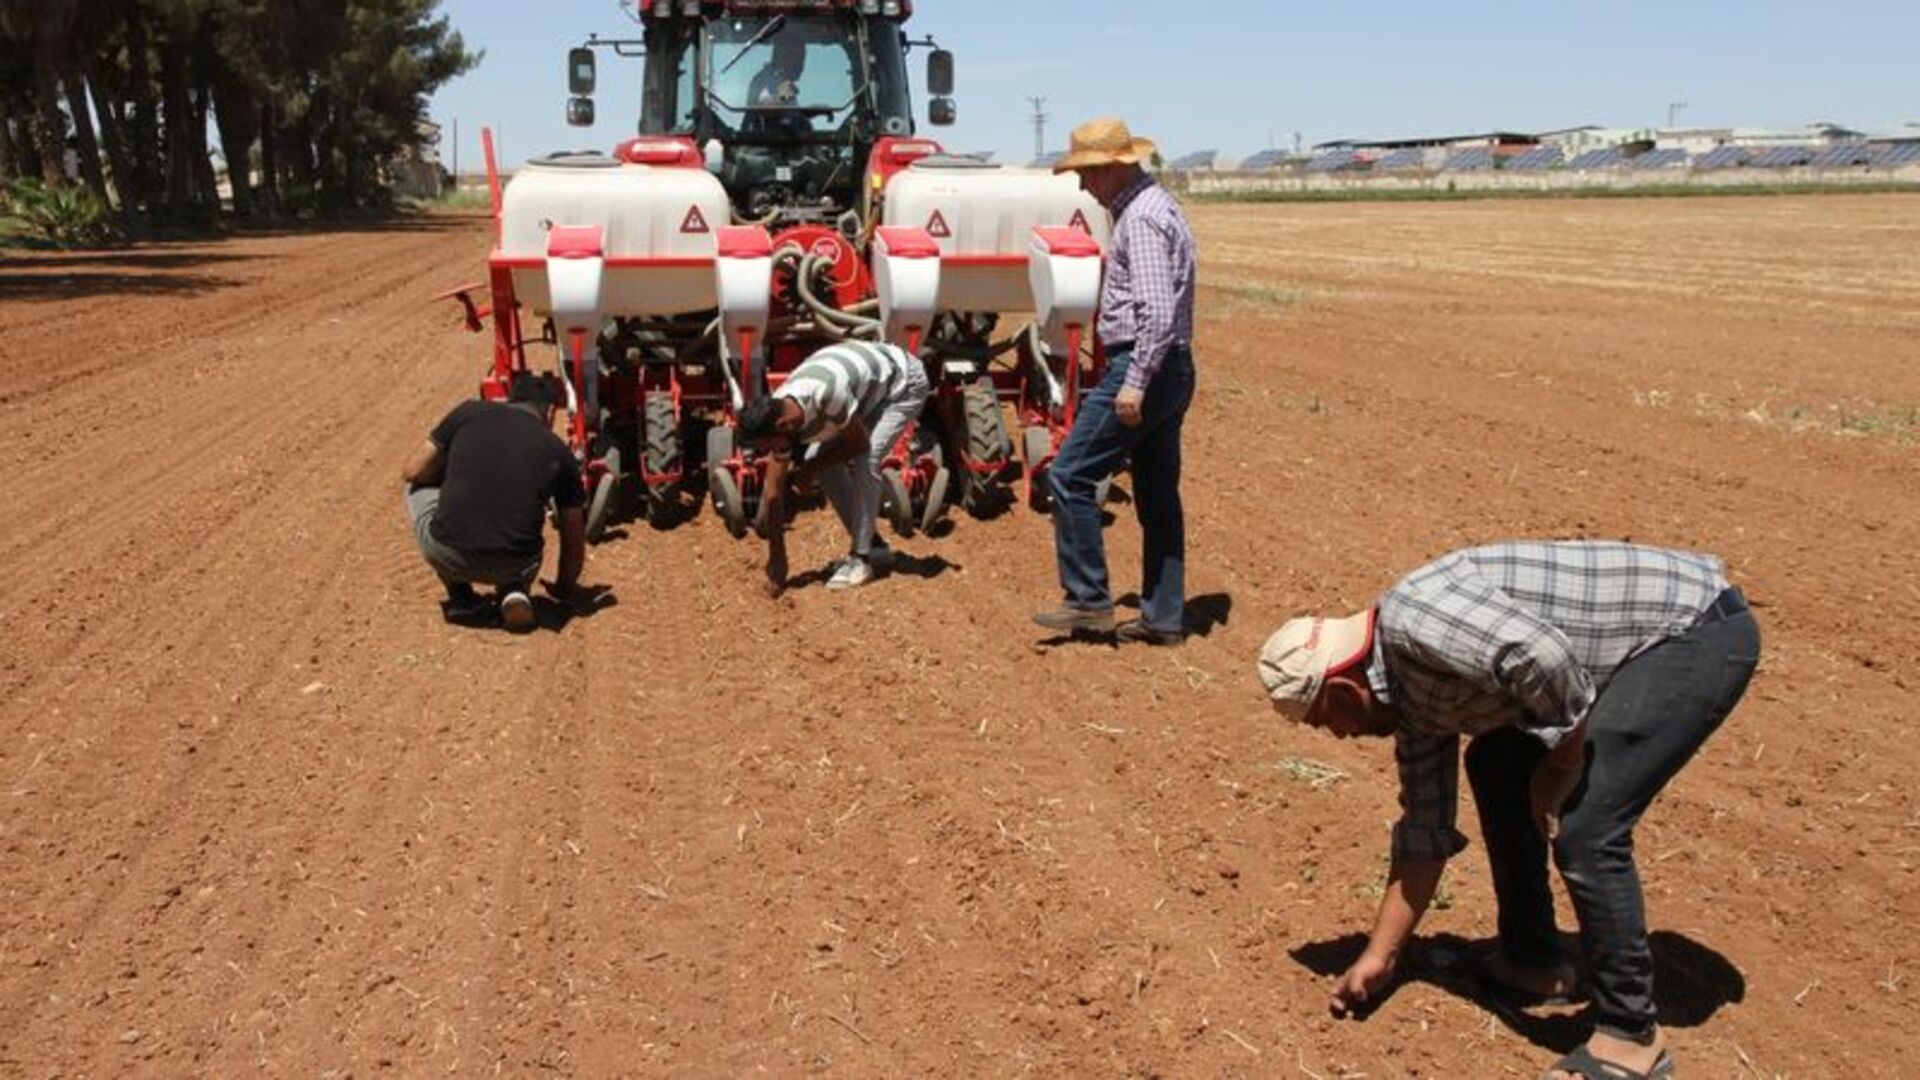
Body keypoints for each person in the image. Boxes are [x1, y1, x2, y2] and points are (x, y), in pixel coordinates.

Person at [1257, 540, 1760, 1080]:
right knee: (1496, 764)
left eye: (1322, 721)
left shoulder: (1413, 624)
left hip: (1692, 629)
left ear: (1341, 689)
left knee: (1587, 826)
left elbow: (1544, 657)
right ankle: (1534, 961)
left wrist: (1561, 766)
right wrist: (1380, 956)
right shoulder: (1410, 702)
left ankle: (1631, 1038)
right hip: (1626, 651)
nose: (1336, 735)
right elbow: (1426, 827)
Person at [1034, 117, 1196, 646]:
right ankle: (1164, 618)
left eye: (1086, 174)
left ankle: (1088, 600)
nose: (1082, 186)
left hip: (1143, 368)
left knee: (1070, 475)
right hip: (1172, 369)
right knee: (1156, 497)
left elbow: (1156, 310)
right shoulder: (1159, 206)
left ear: (1110, 169)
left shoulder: (1140, 221)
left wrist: (1135, 383)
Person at [738, 340, 931, 595]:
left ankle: (861, 560)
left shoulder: (827, 395)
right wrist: (777, 559)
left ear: (783, 427)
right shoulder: (779, 412)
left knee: (867, 458)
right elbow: (773, 493)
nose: (766, 453)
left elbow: (858, 444)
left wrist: (807, 469)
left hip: (904, 382)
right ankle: (875, 547)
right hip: (867, 387)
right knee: (824, 463)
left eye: (765, 446)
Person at [401, 373, 587, 631]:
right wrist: (563, 588)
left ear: (509, 401)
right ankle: (514, 589)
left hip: (448, 554)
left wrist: (448, 476)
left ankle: (460, 597)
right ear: (550, 412)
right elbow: (573, 539)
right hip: (516, 562)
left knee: (416, 484)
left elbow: (412, 470)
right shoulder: (559, 452)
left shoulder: (468, 412)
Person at [748, 38, 805, 107]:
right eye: (797, 58)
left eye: (802, 59)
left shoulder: (783, 81)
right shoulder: (764, 80)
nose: (800, 65)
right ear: (782, 56)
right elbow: (759, 107)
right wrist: (782, 98)